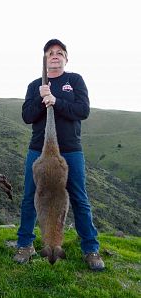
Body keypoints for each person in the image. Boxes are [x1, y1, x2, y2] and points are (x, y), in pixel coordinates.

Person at [13, 39, 105, 271]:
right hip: (38, 150)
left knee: (79, 198)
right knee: (30, 198)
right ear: (45, 59)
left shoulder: (74, 81)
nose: (54, 56)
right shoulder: (35, 84)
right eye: (50, 53)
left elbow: (82, 110)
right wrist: (41, 98)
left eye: (59, 53)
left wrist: (56, 100)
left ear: (66, 58)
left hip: (71, 150)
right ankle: (25, 244)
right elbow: (27, 116)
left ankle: (90, 249)